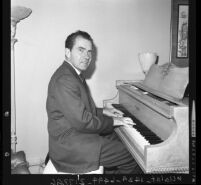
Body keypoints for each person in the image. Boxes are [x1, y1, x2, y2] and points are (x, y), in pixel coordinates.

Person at [46, 30, 142, 174]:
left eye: (89, 52)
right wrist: (114, 121)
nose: (87, 56)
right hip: (70, 146)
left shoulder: (73, 73)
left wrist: (104, 111)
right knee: (132, 156)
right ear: (67, 52)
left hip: (76, 135)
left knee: (119, 139)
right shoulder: (65, 79)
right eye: (81, 50)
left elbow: (81, 109)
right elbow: (83, 121)